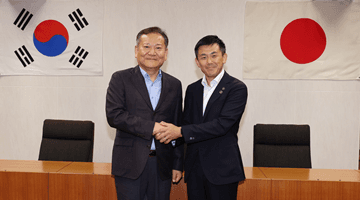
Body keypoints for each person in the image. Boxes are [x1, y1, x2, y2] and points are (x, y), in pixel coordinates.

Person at [154, 35, 248, 200]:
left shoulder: (237, 88)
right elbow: (185, 124)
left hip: (222, 170)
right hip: (195, 168)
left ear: (224, 57)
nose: (209, 61)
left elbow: (222, 125)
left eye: (214, 55)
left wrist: (179, 131)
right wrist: (176, 159)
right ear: (197, 62)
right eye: (203, 57)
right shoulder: (192, 89)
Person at [106, 26, 183, 200]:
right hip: (129, 164)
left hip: (162, 165)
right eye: (146, 46)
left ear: (166, 53)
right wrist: (152, 127)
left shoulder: (175, 85)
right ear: (136, 50)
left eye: (158, 47)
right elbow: (114, 115)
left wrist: (178, 163)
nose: (152, 52)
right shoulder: (120, 79)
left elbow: (178, 124)